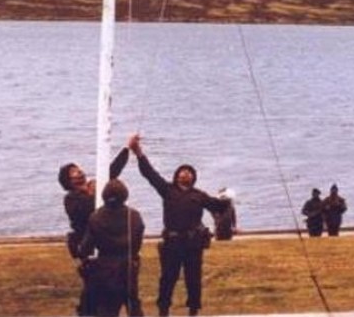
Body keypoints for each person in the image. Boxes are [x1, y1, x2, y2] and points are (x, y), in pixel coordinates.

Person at [129, 135, 229, 317]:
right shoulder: (167, 190)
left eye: (189, 171)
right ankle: (163, 311)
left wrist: (228, 198)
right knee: (167, 279)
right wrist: (138, 153)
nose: (185, 173)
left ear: (193, 177)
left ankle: (193, 312)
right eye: (181, 171)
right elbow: (149, 174)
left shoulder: (199, 195)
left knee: (194, 280)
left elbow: (218, 206)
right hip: (172, 244)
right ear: (176, 176)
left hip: (193, 245)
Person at [58, 140, 131, 316]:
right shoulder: (71, 199)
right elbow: (84, 213)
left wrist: (127, 149)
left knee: (111, 292)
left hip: (106, 248)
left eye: (78, 169)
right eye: (73, 172)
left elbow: (112, 172)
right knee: (93, 292)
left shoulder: (95, 187)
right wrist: (93, 194)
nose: (79, 172)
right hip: (89, 251)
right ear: (68, 180)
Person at [77, 179, 145, 317]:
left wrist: (80, 252)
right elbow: (137, 241)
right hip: (128, 267)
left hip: (105, 267)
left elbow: (86, 246)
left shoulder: (96, 217)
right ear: (125, 195)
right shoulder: (134, 215)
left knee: (107, 307)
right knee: (133, 305)